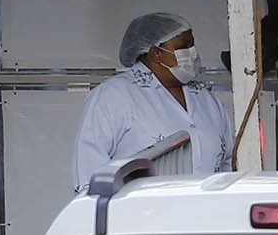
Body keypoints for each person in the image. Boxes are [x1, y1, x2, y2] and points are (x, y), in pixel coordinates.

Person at [75, 12, 233, 191]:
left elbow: (228, 162)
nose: (193, 53)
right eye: (184, 46)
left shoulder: (206, 99)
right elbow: (89, 173)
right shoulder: (113, 96)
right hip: (142, 215)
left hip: (205, 213)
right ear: (156, 53)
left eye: (192, 44)